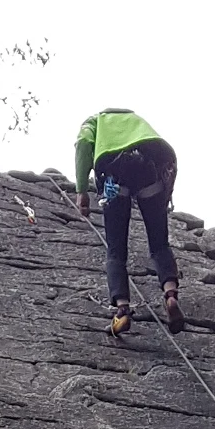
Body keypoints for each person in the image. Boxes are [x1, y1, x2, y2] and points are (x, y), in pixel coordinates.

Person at [74, 108, 183, 339]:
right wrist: (166, 194)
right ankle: (170, 294)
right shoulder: (137, 121)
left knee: (116, 252)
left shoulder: (95, 121)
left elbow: (84, 143)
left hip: (115, 177)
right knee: (160, 244)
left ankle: (122, 311)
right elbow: (167, 156)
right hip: (151, 172)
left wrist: (82, 191)